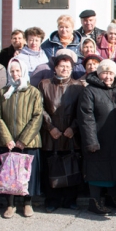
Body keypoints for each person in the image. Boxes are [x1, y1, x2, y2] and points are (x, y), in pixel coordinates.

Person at [0, 59, 44, 219]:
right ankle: (10, 204)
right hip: (7, 142)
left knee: (27, 174)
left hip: (28, 142)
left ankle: (27, 203)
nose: (15, 74)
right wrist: (7, 138)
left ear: (23, 71)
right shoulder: (3, 93)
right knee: (9, 174)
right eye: (12, 71)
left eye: (18, 71)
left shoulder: (33, 92)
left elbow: (37, 116)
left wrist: (24, 140)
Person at [78, 59, 116, 216]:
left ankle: (111, 198)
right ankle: (94, 201)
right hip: (98, 138)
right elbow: (86, 118)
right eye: (105, 73)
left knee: (113, 169)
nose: (108, 76)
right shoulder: (89, 91)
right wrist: (91, 141)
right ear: (98, 74)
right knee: (97, 171)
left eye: (111, 73)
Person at [37, 53, 85, 213]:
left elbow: (83, 110)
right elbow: (39, 109)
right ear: (55, 68)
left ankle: (70, 199)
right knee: (51, 166)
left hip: (71, 133)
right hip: (51, 133)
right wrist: (50, 127)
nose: (65, 69)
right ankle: (52, 199)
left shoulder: (78, 86)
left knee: (72, 164)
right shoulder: (44, 84)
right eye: (61, 66)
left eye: (68, 67)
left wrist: (74, 127)